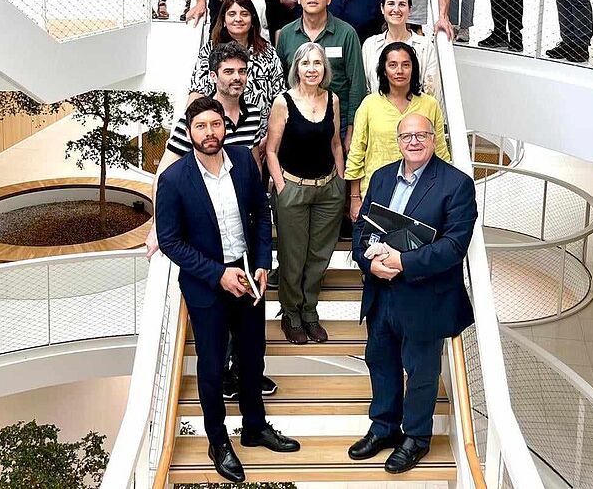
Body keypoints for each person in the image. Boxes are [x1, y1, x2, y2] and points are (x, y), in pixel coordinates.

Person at [156, 96, 300, 483]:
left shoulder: (243, 165)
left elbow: (260, 213)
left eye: (215, 125)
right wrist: (218, 274)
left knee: (253, 356)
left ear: (225, 127)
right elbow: (170, 241)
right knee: (212, 365)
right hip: (208, 283)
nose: (209, 133)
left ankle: (255, 426)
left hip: (249, 275)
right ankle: (218, 440)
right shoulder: (173, 180)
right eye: (201, 127)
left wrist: (261, 262)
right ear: (190, 132)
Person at [348, 113, 475, 473]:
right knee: (380, 361)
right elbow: (362, 230)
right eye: (407, 136)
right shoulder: (383, 176)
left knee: (420, 372)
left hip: (424, 296)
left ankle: (416, 437)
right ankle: (384, 427)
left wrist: (404, 261)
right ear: (397, 141)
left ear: (434, 139)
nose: (414, 142)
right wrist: (367, 262)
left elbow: (453, 246)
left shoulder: (456, 184)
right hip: (381, 291)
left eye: (422, 135)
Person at [265, 42, 346, 344]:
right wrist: (282, 187)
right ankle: (291, 313)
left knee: (319, 256)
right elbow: (271, 151)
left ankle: (310, 311)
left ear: (325, 69)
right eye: (305, 63)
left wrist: (339, 180)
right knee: (293, 256)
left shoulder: (333, 100)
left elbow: (336, 143)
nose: (311, 69)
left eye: (317, 63)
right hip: (293, 191)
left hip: (327, 190)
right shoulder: (283, 102)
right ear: (296, 67)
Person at [346, 41, 450, 223]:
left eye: (406, 65)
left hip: (422, 193)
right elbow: (357, 153)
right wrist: (355, 199)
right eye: (393, 65)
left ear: (414, 68)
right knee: (374, 250)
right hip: (376, 192)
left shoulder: (429, 104)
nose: (399, 71)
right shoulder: (369, 104)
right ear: (384, 70)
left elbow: (440, 151)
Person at [275, 0, 366, 152]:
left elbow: (357, 85)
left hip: (336, 129)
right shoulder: (286, 34)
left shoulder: (347, 34)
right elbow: (280, 81)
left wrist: (351, 130)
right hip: (296, 128)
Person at [189, 0, 287, 121]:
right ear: (224, 20)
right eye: (232, 14)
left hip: (261, 132)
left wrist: (271, 134)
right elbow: (198, 91)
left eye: (244, 14)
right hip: (218, 131)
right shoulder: (210, 50)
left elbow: (279, 96)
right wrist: (190, 124)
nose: (238, 19)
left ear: (252, 19)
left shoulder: (268, 52)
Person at [362, 0, 440, 98]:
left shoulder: (425, 46)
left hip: (416, 112)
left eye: (402, 4)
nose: (396, 9)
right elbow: (366, 88)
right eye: (391, 4)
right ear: (382, 8)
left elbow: (431, 90)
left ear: (410, 10)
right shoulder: (370, 45)